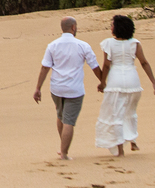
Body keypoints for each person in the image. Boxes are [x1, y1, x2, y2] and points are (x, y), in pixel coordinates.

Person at [34, 16, 104, 160]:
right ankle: (64, 153)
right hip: (74, 89)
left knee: (61, 116)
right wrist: (103, 82)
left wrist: (38, 88)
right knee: (69, 121)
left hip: (57, 88)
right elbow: (94, 66)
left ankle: (62, 147)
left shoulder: (52, 45)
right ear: (73, 27)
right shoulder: (83, 45)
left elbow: (44, 68)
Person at [94, 14, 155, 157]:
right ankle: (132, 139)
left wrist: (102, 82)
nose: (111, 27)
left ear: (117, 28)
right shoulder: (134, 43)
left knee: (115, 114)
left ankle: (120, 149)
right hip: (133, 80)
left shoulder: (108, 43)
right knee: (130, 112)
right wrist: (154, 84)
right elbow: (144, 63)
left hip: (115, 81)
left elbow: (106, 65)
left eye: (112, 25)